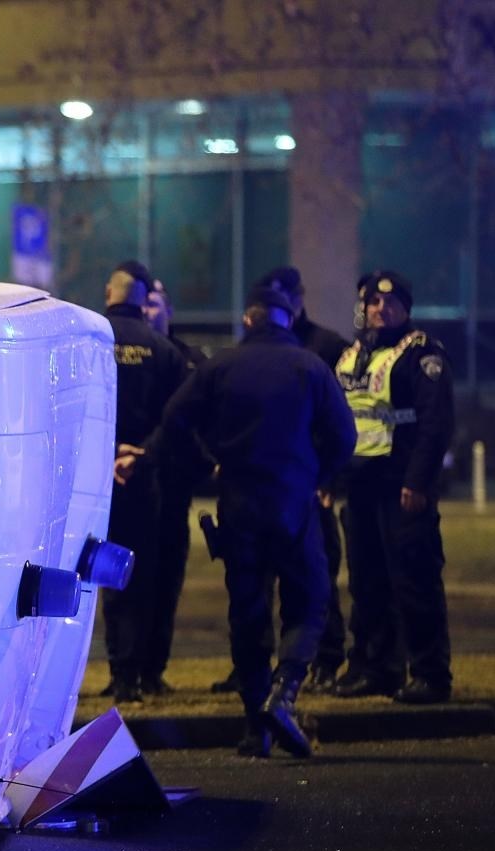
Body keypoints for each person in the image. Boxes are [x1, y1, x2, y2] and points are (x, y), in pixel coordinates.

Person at [116, 285, 356, 757]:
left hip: (239, 504)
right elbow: (344, 436)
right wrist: (316, 475)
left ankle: (256, 727)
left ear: (248, 320)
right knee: (308, 601)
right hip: (293, 504)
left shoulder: (220, 366)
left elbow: (175, 420)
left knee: (247, 613)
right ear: (288, 320)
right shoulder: (309, 367)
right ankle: (283, 693)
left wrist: (199, 460)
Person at [206, 267, 352, 694]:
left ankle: (324, 660)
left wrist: (323, 477)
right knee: (259, 588)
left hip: (304, 488)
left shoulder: (324, 347)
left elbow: (341, 419)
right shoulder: (262, 352)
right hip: (278, 486)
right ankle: (260, 675)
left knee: (312, 582)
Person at [332, 270, 455, 704]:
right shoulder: (354, 355)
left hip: (402, 486)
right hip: (361, 486)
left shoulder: (421, 352)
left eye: (390, 302)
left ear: (406, 308)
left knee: (414, 580)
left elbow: (435, 423)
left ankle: (430, 674)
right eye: (373, 303)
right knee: (367, 583)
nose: (380, 309)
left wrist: (418, 480)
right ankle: (373, 667)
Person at [100, 260, 187, 703]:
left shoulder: (89, 340)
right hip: (145, 480)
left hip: (99, 482)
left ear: (108, 293)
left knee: (105, 574)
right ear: (141, 300)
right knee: (143, 575)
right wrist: (141, 453)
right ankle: (139, 671)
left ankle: (118, 670)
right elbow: (178, 418)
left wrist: (108, 452)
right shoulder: (164, 350)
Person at [138, 277, 208, 695]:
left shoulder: (188, 361)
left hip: (171, 487)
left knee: (166, 581)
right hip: (131, 491)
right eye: (142, 303)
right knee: (128, 586)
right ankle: (125, 671)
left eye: (155, 304)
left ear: (169, 310)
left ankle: (153, 670)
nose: (147, 312)